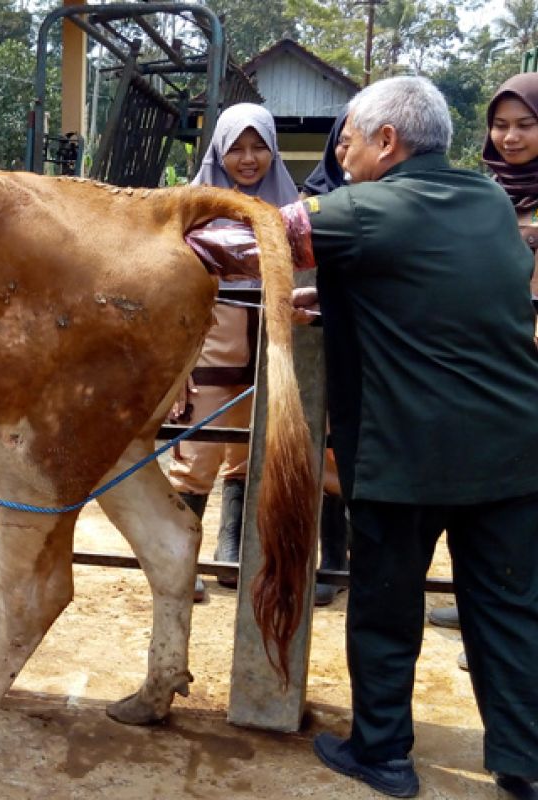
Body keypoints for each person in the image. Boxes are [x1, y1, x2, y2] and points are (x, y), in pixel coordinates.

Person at [288, 76, 538, 799]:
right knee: (510, 610)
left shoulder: (361, 208)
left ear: (387, 142)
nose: (341, 154)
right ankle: (522, 762)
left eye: (349, 141)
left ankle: (384, 754)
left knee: (386, 606)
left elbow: (248, 238)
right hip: (513, 453)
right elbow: (433, 290)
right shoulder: (490, 200)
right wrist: (337, 299)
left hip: (408, 458)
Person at [427, 72, 538, 671]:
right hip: (491, 355)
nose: (511, 136)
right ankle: (473, 612)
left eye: (525, 125)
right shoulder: (484, 190)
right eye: (501, 125)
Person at [170, 102, 299, 602]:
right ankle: (180, 559)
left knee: (246, 455)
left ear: (273, 149)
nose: (248, 159)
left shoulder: (292, 207)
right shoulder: (192, 209)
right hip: (210, 352)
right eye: (236, 148)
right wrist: (178, 363)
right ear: (220, 152)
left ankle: (232, 549)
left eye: (258, 147)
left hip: (268, 353)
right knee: (196, 455)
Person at [299, 111, 353, 607]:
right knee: (310, 448)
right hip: (311, 339)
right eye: (341, 141)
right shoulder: (309, 199)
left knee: (337, 451)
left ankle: (336, 558)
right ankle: (315, 556)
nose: (344, 152)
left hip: (356, 342)